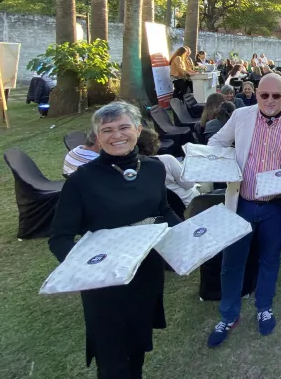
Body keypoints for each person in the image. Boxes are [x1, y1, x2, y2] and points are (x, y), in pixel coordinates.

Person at [49, 102, 181, 379]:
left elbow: (164, 210)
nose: (117, 135)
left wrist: (186, 237)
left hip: (146, 272)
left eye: (123, 127)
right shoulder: (81, 181)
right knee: (112, 358)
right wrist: (84, 269)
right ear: (97, 136)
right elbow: (60, 237)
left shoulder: (154, 169)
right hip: (104, 281)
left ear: (138, 129)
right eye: (107, 130)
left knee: (138, 344)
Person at [206, 74, 281, 348]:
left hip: (275, 206)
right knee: (232, 262)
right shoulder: (241, 116)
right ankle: (228, 315)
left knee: (270, 260)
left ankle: (264, 307)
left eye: (276, 96)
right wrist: (229, 166)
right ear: (256, 94)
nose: (270, 101)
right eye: (264, 95)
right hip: (242, 202)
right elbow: (216, 143)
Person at [137, 128, 200, 209]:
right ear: (153, 144)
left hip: (161, 209)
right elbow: (189, 185)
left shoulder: (128, 169)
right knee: (208, 184)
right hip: (188, 204)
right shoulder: (167, 160)